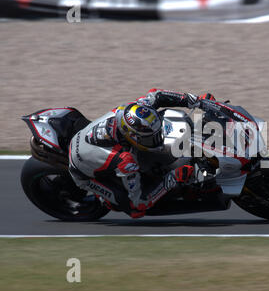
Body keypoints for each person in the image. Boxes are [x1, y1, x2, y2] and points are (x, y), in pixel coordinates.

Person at [68, 88, 216, 218]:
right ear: (133, 137)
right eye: (151, 138)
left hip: (92, 143)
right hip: (83, 171)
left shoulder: (134, 109)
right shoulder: (124, 160)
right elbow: (140, 201)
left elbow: (157, 95)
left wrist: (195, 101)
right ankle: (106, 199)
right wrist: (174, 177)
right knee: (136, 210)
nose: (157, 140)